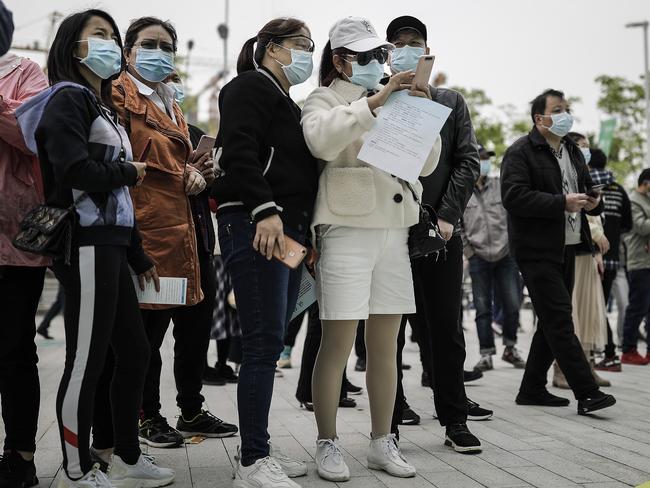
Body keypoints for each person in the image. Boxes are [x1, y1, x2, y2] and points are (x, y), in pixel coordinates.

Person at [18, 9, 175, 487]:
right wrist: (129, 171)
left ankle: (125, 454)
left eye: (111, 35)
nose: (110, 44)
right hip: (85, 246)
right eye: (100, 35)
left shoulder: (99, 104)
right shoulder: (66, 97)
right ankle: (77, 466)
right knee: (86, 361)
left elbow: (119, 200)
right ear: (73, 46)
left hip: (110, 247)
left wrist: (136, 253)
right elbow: (72, 172)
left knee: (134, 353)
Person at [301, 16, 441, 481]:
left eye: (378, 55)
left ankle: (384, 440)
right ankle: (327, 442)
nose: (377, 63)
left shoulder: (393, 94)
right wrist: (376, 101)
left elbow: (426, 164)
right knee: (337, 343)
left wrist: (419, 109)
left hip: (394, 230)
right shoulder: (324, 98)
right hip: (344, 228)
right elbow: (321, 141)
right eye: (365, 56)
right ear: (339, 59)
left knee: (387, 344)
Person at [112, 17, 236, 448]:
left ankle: (191, 410)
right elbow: (122, 158)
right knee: (147, 334)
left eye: (167, 46)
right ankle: (146, 416)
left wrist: (201, 171)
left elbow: (177, 165)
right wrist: (178, 171)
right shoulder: (118, 96)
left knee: (193, 330)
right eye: (149, 44)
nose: (159, 53)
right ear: (128, 51)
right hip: (149, 232)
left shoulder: (172, 104)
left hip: (187, 234)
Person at [213, 17, 319, 488]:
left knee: (272, 341)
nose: (308, 55)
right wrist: (263, 209)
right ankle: (254, 461)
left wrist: (304, 236)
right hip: (256, 224)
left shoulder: (287, 102)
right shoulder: (247, 87)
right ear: (273, 48)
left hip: (287, 228)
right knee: (261, 343)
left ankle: (260, 448)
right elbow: (237, 151)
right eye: (302, 45)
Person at [383, 15, 483, 454]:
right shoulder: (375, 100)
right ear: (388, 52)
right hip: (387, 230)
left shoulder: (449, 101)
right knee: (389, 331)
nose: (407, 49)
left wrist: (446, 216)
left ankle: (455, 418)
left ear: (427, 50)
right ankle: (391, 416)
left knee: (446, 328)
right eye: (399, 43)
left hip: (440, 231)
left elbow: (468, 161)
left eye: (415, 42)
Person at [501, 88, 616, 415]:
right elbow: (513, 197)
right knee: (561, 320)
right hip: (536, 249)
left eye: (567, 108)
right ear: (540, 118)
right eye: (557, 109)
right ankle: (588, 392)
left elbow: (585, 191)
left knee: (551, 320)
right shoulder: (520, 152)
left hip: (569, 245)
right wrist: (559, 203)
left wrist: (594, 202)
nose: (565, 114)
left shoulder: (573, 152)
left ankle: (532, 387)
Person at [0, 29, 49, 488]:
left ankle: (20, 454)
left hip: (14, 240)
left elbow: (33, 134)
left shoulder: (25, 74)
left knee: (14, 348)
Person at [461, 144, 526, 372]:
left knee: (512, 304)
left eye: (486, 158)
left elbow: (515, 215)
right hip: (478, 257)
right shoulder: (462, 189)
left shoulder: (501, 186)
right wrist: (468, 251)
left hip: (506, 255)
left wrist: (512, 246)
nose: (484, 162)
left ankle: (510, 348)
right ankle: (486, 354)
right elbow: (458, 226)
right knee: (482, 309)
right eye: (480, 158)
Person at [586, 147, 632, 371]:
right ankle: (604, 353)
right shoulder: (619, 189)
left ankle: (609, 352)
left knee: (594, 308)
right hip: (613, 258)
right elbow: (628, 225)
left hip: (591, 256)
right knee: (600, 307)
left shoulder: (586, 184)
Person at [620, 168, 650, 365]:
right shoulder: (633, 200)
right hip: (639, 261)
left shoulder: (647, 199)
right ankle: (628, 349)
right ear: (646, 182)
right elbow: (640, 226)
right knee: (638, 307)